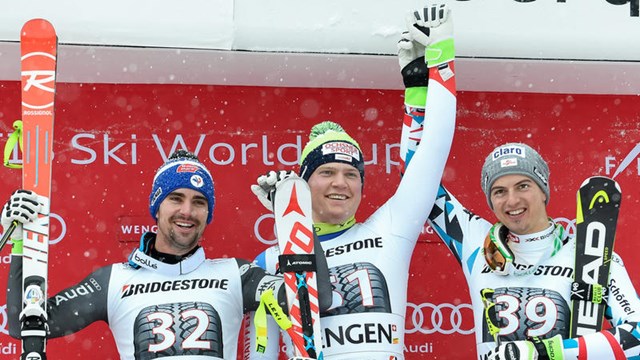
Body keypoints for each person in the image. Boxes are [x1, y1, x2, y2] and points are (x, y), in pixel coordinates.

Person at [398, 18, 640, 360]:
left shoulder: (590, 254)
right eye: (499, 191)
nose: (512, 200)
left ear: (543, 190)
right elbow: (417, 178)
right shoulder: (475, 242)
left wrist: (545, 352)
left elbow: (637, 337)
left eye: (523, 186)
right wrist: (420, 89)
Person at [243, 4, 457, 359]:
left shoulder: (390, 227)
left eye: (352, 174)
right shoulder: (269, 260)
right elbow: (260, 351)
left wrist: (435, 68)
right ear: (304, 182)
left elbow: (432, 151)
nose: (340, 183)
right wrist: (289, 217)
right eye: (326, 172)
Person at [2, 149, 331, 360]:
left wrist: (295, 220)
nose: (187, 211)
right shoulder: (113, 280)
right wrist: (19, 239)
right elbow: (26, 324)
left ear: (208, 213)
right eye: (176, 198)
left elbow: (315, 301)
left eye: (199, 202)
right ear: (157, 206)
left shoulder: (237, 275)